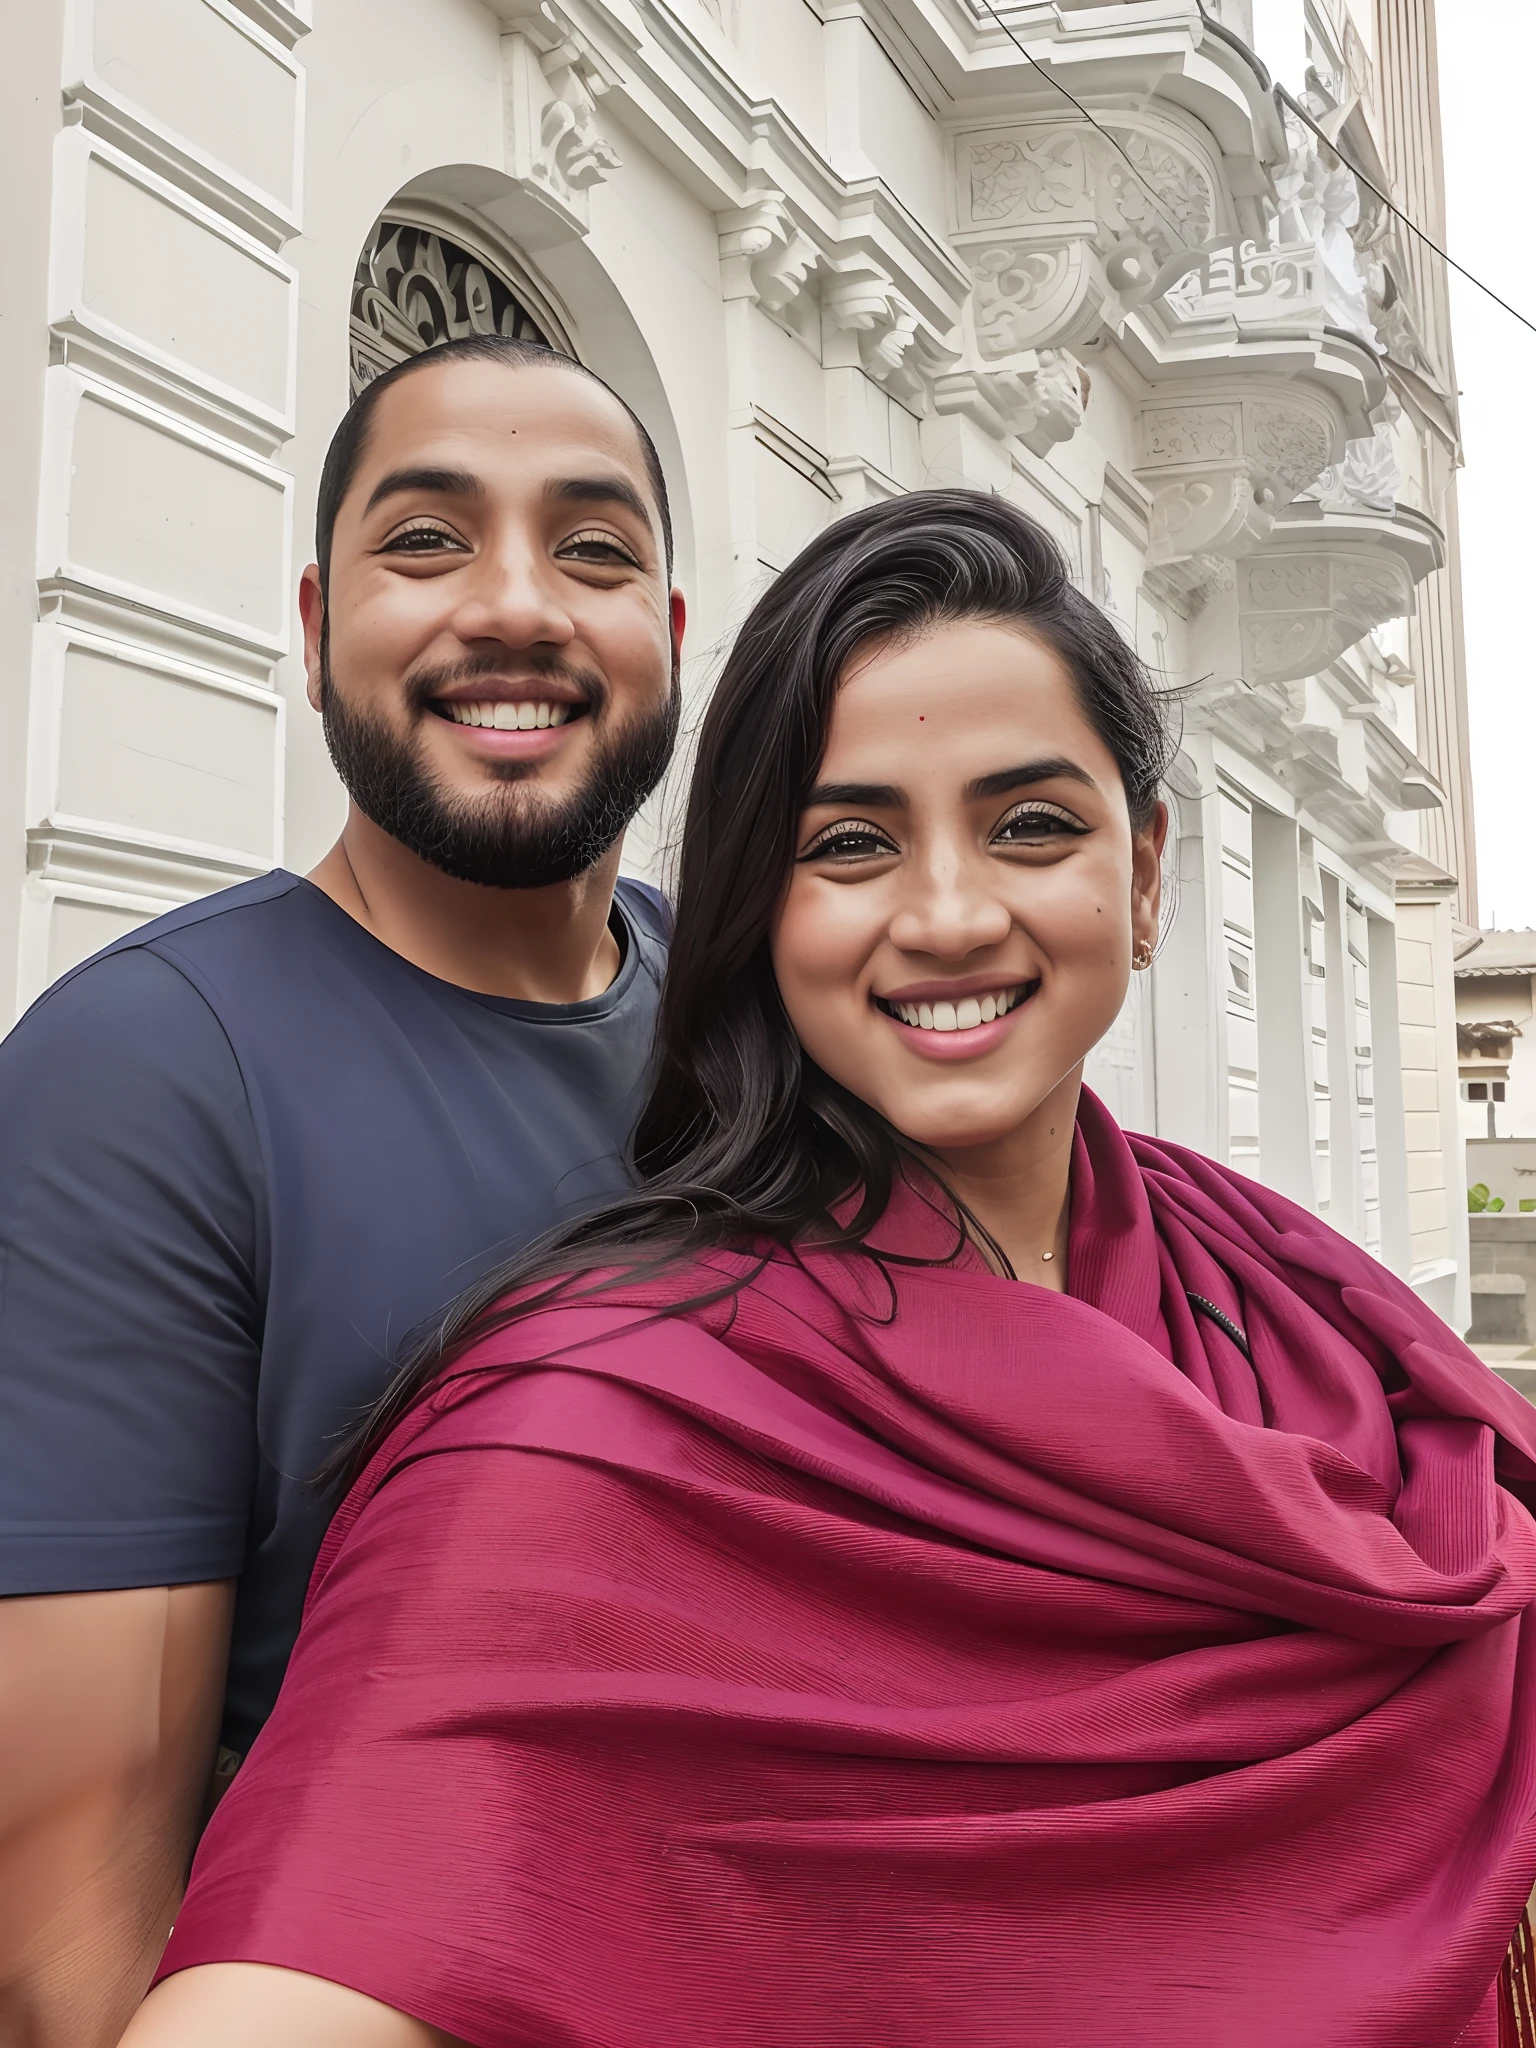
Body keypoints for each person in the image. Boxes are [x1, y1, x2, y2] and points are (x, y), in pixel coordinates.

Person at [129, 493, 1536, 2047]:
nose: (948, 915)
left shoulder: (1298, 1310)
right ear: (760, 906)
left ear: (1139, 881)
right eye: (852, 843)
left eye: (1032, 827)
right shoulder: (596, 1418)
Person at [0, 335, 684, 2045]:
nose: (519, 606)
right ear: (315, 634)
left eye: (594, 551)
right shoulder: (147, 1069)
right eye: (429, 541)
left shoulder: (748, 1012)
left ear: (671, 644)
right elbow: (75, 1910)